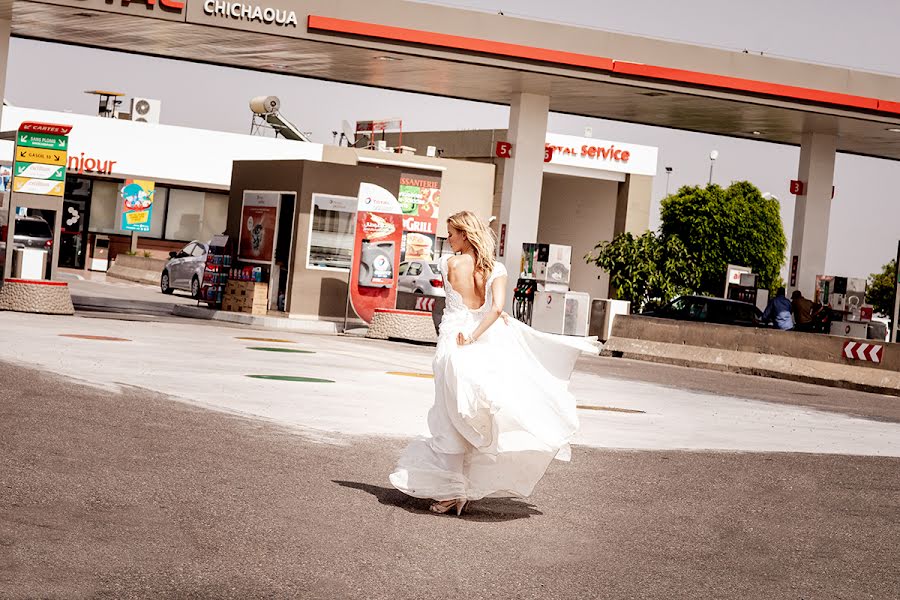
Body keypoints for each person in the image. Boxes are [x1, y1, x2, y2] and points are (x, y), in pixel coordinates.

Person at [389, 211, 593, 516]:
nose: (449, 239)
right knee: (475, 412)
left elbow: (455, 302)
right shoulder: (497, 269)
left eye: (452, 234)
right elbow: (496, 309)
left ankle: (450, 492)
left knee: (449, 415)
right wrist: (476, 334)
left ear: (465, 235)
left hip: (453, 339)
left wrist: (467, 336)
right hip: (482, 339)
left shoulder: (449, 265)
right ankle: (458, 488)